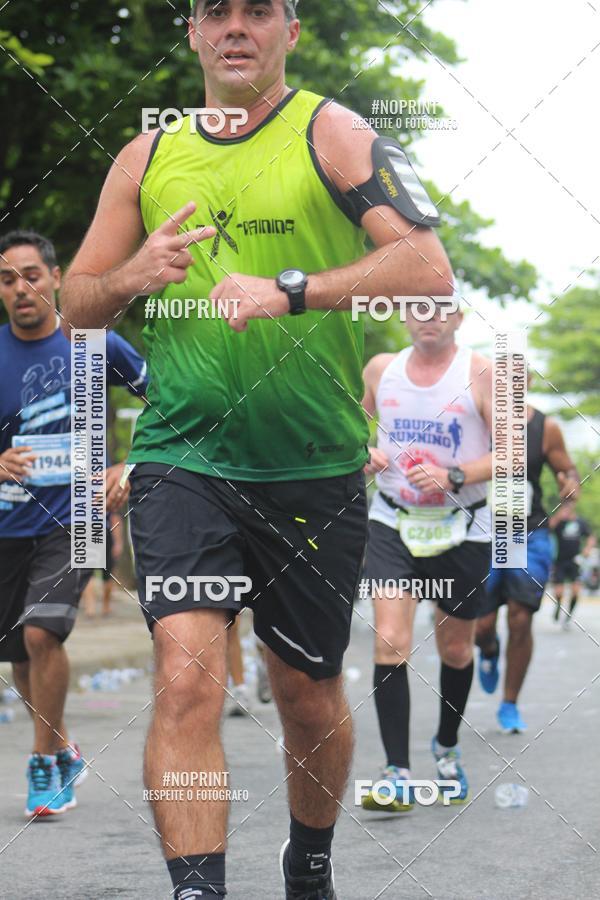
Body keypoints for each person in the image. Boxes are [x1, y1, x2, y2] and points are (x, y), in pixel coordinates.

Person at [59, 0, 453, 895]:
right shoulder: (147, 159)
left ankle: (308, 867)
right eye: (216, 12)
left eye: (258, 11)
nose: (236, 26)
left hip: (312, 466)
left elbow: (428, 269)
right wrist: (132, 276)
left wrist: (295, 288)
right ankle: (199, 887)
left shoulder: (335, 132)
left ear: (290, 32)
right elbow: (75, 308)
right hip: (183, 459)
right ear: (193, 32)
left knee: (306, 691)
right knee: (187, 679)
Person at [0, 229, 148, 819]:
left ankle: (41, 766)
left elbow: (166, 401)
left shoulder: (94, 346)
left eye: (31, 275)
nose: (20, 289)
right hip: (9, 525)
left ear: (57, 277)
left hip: (79, 520)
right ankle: (61, 748)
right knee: (19, 655)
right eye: (7, 279)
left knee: (42, 635)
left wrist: (128, 463)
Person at [360, 302, 493, 812]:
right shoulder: (381, 369)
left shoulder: (482, 372)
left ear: (458, 317)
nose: (428, 317)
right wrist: (363, 453)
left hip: (463, 527)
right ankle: (397, 771)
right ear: (403, 315)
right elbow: (353, 425)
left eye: (439, 309)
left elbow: (512, 453)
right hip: (393, 519)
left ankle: (446, 743)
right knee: (390, 640)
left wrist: (454, 476)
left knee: (455, 648)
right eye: (417, 307)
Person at [476, 401, 580, 732]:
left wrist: (570, 485)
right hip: (480, 532)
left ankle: (509, 704)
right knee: (482, 626)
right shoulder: (474, 417)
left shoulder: (545, 427)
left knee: (521, 617)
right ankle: (489, 649)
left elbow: (570, 472)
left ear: (529, 380)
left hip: (529, 532)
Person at [550, 500, 594, 629]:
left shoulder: (580, 522)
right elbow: (548, 527)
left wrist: (588, 548)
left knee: (575, 591)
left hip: (575, 561)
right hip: (560, 561)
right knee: (559, 592)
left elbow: (591, 537)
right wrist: (559, 515)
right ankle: (558, 606)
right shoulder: (559, 523)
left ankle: (568, 615)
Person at [82, 512, 124, 617]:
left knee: (86, 572)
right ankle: (106, 606)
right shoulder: (106, 495)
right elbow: (115, 517)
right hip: (104, 531)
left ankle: (90, 608)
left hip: (86, 530)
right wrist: (118, 542)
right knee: (107, 573)